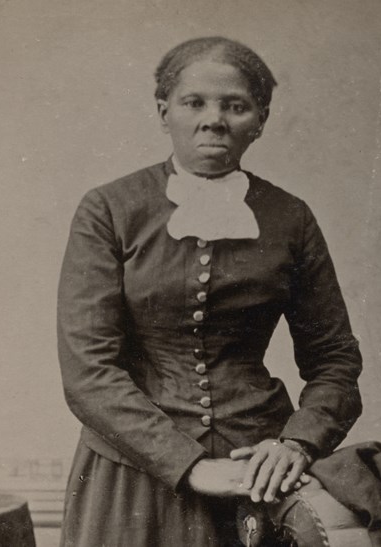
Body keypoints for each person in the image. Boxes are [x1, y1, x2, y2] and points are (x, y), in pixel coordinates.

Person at [57, 36, 363, 546]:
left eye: (235, 106)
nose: (214, 119)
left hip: (259, 468)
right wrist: (189, 465)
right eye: (193, 102)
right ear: (164, 112)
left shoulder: (291, 217)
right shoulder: (110, 209)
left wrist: (296, 444)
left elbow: (335, 360)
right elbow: (88, 372)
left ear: (260, 119)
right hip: (134, 472)